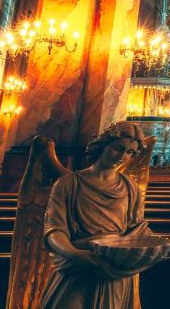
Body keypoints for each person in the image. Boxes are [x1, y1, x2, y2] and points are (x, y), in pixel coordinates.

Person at [39, 122, 152, 309]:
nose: (123, 156)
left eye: (130, 152)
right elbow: (54, 229)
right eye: (118, 148)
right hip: (76, 268)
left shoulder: (130, 188)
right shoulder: (68, 184)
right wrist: (74, 253)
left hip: (113, 272)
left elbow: (136, 233)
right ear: (103, 145)